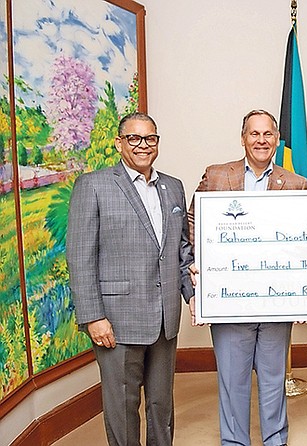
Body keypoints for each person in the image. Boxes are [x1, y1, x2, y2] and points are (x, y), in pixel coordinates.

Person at [66, 112, 195, 446]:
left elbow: (180, 249)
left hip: (165, 318)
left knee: (161, 404)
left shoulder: (173, 187)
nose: (143, 145)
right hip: (117, 321)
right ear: (119, 143)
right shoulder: (93, 186)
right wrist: (93, 317)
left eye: (150, 138)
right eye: (134, 138)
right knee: (123, 406)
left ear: (157, 143)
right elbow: (80, 257)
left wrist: (193, 294)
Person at [187, 109, 307, 446]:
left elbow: (305, 240)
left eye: (268, 134)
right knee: (232, 380)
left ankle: (275, 440)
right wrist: (204, 262)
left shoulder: (295, 184)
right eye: (254, 134)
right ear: (243, 138)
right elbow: (193, 222)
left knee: (273, 380)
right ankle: (235, 443)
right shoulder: (216, 175)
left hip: (274, 300)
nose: (261, 140)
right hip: (229, 300)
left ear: (277, 140)